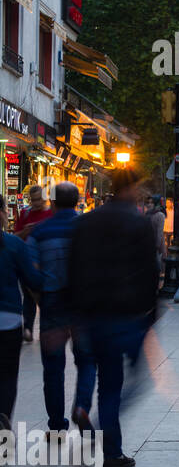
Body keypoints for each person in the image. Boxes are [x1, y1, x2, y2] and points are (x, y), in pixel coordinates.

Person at [67, 167, 158, 467]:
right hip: (126, 315)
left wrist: (74, 314)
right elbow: (150, 271)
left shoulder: (86, 222)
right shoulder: (139, 224)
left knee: (107, 380)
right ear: (131, 188)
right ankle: (108, 444)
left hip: (92, 315)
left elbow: (74, 269)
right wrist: (150, 312)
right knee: (130, 382)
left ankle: (110, 446)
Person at [29, 183, 93, 434]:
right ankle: (82, 407)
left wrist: (41, 298)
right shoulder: (88, 230)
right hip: (83, 304)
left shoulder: (40, 232)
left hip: (52, 303)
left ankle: (56, 426)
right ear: (77, 202)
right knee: (87, 361)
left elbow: (32, 274)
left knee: (53, 369)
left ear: (52, 204)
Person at [0, 203, 43, 435]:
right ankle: (3, 422)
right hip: (8, 320)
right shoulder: (14, 245)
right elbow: (33, 281)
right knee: (7, 375)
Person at [16, 184, 54, 341]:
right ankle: (28, 329)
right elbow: (16, 236)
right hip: (28, 261)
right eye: (33, 200)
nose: (36, 203)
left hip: (46, 261)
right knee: (29, 297)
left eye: (39, 199)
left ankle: (47, 329)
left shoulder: (51, 214)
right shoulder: (25, 214)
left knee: (46, 297)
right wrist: (25, 231)